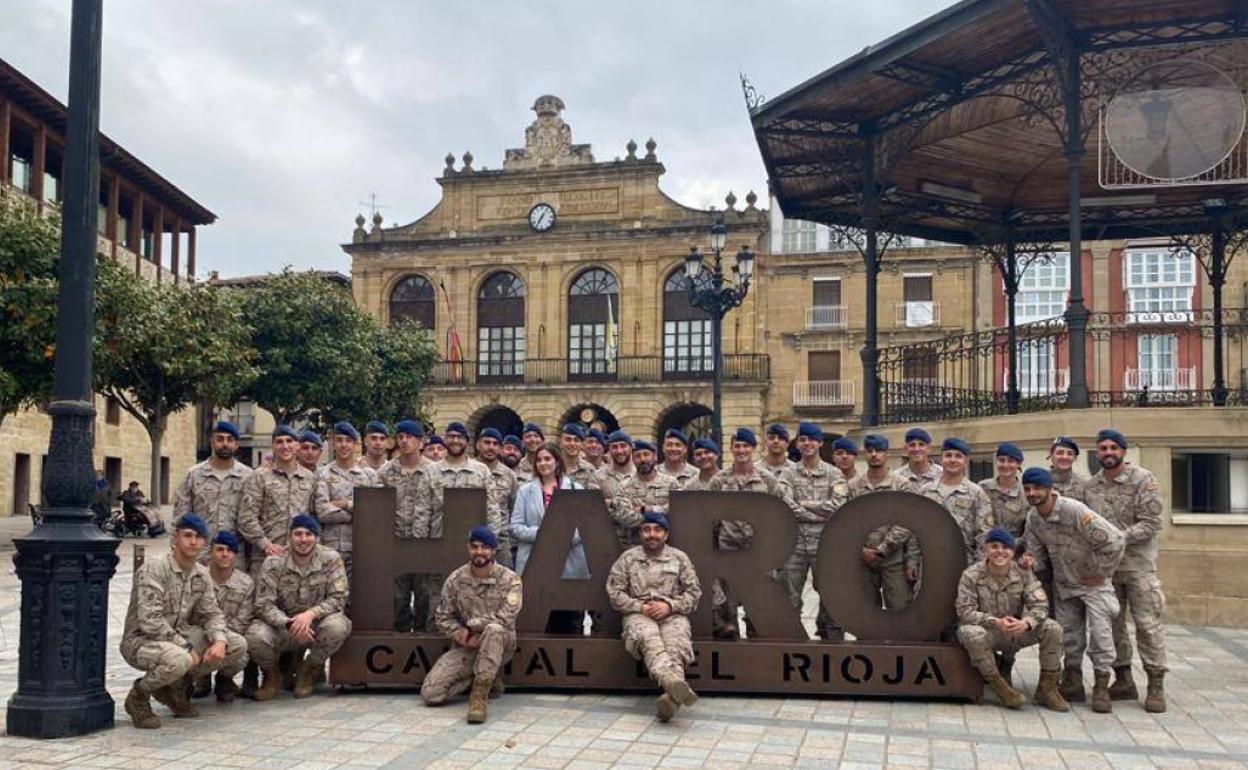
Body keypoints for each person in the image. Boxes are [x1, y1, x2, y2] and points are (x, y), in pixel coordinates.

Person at [120, 514, 246, 729]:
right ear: (175, 538)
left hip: (178, 637)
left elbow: (211, 613)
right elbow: (150, 621)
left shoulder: (201, 574)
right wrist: (185, 646)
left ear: (205, 543)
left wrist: (219, 640)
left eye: (199, 537)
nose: (193, 541)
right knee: (180, 659)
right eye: (187, 535)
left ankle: (175, 687)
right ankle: (139, 696)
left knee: (236, 645)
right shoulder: (155, 568)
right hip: (141, 640)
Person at [1019, 467, 1125, 713]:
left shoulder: (1074, 510)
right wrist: (1030, 562)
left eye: (1037, 488)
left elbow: (1116, 540)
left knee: (1101, 635)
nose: (1032, 493)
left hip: (1094, 586)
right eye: (1027, 489)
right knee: (1070, 637)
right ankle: (1073, 681)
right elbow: (1036, 554)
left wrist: (1101, 572)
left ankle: (1100, 686)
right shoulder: (1034, 518)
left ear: (1049, 488)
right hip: (1065, 584)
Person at [1082, 429, 1167, 712]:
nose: (1108, 453)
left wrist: (1120, 537)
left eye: (1113, 448)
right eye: (1103, 448)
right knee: (1112, 627)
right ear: (1097, 453)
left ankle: (1155, 683)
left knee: (1147, 624)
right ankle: (1123, 678)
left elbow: (1152, 522)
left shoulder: (1143, 480)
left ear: (1123, 451)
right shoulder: (1091, 487)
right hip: (1107, 571)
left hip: (1138, 568)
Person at [955, 527, 1068, 711]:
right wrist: (995, 622)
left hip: (1016, 631)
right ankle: (1000, 687)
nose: (1000, 551)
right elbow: (964, 611)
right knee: (970, 632)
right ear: (986, 550)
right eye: (994, 546)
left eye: (1006, 548)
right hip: (989, 631)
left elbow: (1041, 605)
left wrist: (1026, 623)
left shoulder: (1023, 573)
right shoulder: (971, 575)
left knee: (1052, 629)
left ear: (1013, 552)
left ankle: (1047, 688)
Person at [421, 526, 524, 723]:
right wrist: (463, 635)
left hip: (501, 644)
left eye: (485, 547)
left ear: (494, 550)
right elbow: (443, 616)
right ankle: (488, 676)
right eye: (474, 547)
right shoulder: (456, 579)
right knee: (430, 694)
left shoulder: (511, 580)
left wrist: (475, 625)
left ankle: (479, 696)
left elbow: (505, 618)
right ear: (468, 548)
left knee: (494, 630)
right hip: (469, 645)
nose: (479, 552)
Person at [607, 512, 702, 722]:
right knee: (649, 639)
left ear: (666, 535)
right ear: (640, 533)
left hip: (672, 614)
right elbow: (615, 593)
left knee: (676, 644)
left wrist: (670, 606)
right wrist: (639, 606)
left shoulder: (679, 558)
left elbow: (694, 593)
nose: (652, 535)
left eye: (657, 530)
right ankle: (673, 682)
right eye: (647, 530)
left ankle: (671, 699)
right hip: (638, 614)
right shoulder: (628, 558)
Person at [246, 515, 351, 700]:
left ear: (317, 538)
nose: (303, 539)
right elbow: (263, 604)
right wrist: (288, 623)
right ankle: (272, 675)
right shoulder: (273, 562)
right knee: (255, 635)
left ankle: (308, 669)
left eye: (309, 534)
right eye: (298, 534)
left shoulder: (331, 559)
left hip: (315, 626)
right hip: (283, 627)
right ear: (290, 537)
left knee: (339, 626)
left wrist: (310, 614)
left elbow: (338, 598)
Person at [707, 428, 788, 639]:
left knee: (759, 601)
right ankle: (733, 644)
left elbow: (780, 512)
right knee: (730, 601)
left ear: (753, 448)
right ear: (731, 449)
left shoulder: (767, 480)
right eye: (737, 446)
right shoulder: (719, 481)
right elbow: (712, 519)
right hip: (729, 548)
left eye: (745, 446)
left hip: (759, 550)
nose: (741, 450)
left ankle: (757, 640)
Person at [778, 421, 847, 640]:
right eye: (802, 440)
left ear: (819, 443)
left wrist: (807, 505)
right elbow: (784, 503)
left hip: (824, 543)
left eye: (811, 440)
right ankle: (791, 638)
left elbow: (838, 505)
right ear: (797, 444)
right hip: (794, 543)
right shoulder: (787, 473)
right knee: (790, 595)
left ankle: (831, 637)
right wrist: (816, 515)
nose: (807, 444)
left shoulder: (834, 474)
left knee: (830, 592)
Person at [510, 442, 588, 634]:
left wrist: (561, 539)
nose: (543, 463)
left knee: (568, 623)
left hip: (568, 564)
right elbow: (516, 527)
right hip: (535, 562)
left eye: (547, 458)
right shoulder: (525, 491)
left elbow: (583, 527)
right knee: (537, 623)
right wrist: (546, 535)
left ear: (557, 461)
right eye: (539, 460)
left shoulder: (576, 488)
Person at [237, 425, 318, 583]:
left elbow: (314, 516)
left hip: (300, 556)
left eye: (289, 441)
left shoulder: (310, 478)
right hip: (265, 557)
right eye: (279, 442)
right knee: (263, 605)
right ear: (273, 446)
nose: (285, 446)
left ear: (297, 446)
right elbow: (246, 517)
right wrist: (265, 543)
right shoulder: (259, 477)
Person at [848, 434, 919, 610]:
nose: (874, 454)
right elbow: (847, 521)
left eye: (879, 450)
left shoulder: (901, 485)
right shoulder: (854, 486)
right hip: (862, 560)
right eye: (870, 450)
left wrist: (882, 550)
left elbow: (906, 521)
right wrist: (861, 550)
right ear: (864, 454)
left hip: (893, 559)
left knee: (899, 609)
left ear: (886, 453)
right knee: (865, 611)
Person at [378, 420, 436, 633]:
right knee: (397, 597)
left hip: (425, 543)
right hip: (395, 542)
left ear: (420, 442)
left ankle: (421, 638)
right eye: (400, 437)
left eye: (409, 437)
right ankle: (400, 639)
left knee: (424, 595)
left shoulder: (433, 471)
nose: (404, 441)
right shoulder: (386, 472)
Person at [191, 530, 254, 702]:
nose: (224, 554)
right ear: (211, 552)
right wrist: (211, 637)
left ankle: (224, 678)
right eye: (220, 549)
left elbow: (243, 620)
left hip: (229, 636)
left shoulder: (246, 583)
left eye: (230, 550)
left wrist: (220, 640)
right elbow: (190, 615)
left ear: (235, 554)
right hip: (200, 634)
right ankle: (201, 678)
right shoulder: (197, 578)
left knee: (242, 652)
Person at [174, 420, 253, 558]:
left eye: (230, 440)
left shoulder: (249, 476)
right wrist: (176, 550)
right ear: (212, 442)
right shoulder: (194, 474)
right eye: (220, 439)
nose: (225, 444)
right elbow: (181, 516)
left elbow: (253, 518)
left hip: (233, 555)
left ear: (236, 445)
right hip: (200, 555)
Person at [314, 421, 378, 584]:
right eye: (339, 440)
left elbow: (375, 511)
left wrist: (344, 504)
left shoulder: (369, 475)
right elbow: (322, 511)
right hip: (331, 548)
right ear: (333, 443)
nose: (344, 445)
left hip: (363, 547)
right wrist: (356, 515)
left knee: (361, 597)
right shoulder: (323, 474)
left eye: (348, 440)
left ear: (356, 444)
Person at [918, 437, 994, 566]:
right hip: (929, 562)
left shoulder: (976, 493)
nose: (953, 460)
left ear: (965, 461)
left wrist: (980, 567)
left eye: (958, 456)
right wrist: (913, 560)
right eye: (948, 455)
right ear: (941, 459)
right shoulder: (925, 491)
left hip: (964, 562)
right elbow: (916, 527)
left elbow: (984, 534)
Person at [612, 440, 677, 546]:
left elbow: (677, 512)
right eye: (638, 456)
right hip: (634, 547)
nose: (642, 459)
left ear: (655, 456)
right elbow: (625, 518)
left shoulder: (671, 483)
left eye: (646, 455)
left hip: (666, 548)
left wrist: (646, 510)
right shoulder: (623, 487)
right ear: (633, 460)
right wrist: (662, 513)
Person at [476, 427, 517, 568]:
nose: (491, 447)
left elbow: (514, 509)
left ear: (500, 448)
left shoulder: (509, 475)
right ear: (478, 445)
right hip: (472, 541)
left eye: (495, 444)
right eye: (487, 442)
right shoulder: (470, 470)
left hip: (500, 543)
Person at [979, 443, 1029, 539]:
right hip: (985, 546)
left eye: (1011, 461)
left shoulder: (1025, 493)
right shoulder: (983, 487)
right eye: (1001, 460)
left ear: (1019, 464)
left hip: (1015, 549)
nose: (1005, 465)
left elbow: (1029, 530)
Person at [595, 430, 635, 517]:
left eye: (623, 446)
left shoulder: (642, 475)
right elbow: (593, 505)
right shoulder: (598, 477)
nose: (619, 451)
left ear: (631, 448)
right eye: (614, 447)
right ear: (609, 450)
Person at [558, 423, 600, 489]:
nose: (572, 444)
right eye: (568, 440)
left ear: (582, 444)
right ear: (560, 442)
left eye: (576, 440)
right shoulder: (553, 467)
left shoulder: (589, 470)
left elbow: (592, 496)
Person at [1048, 436, 1086, 501]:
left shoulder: (1084, 485)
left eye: (1070, 454)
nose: (1065, 457)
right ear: (1051, 456)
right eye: (1060, 453)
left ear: (1075, 458)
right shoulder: (1040, 483)